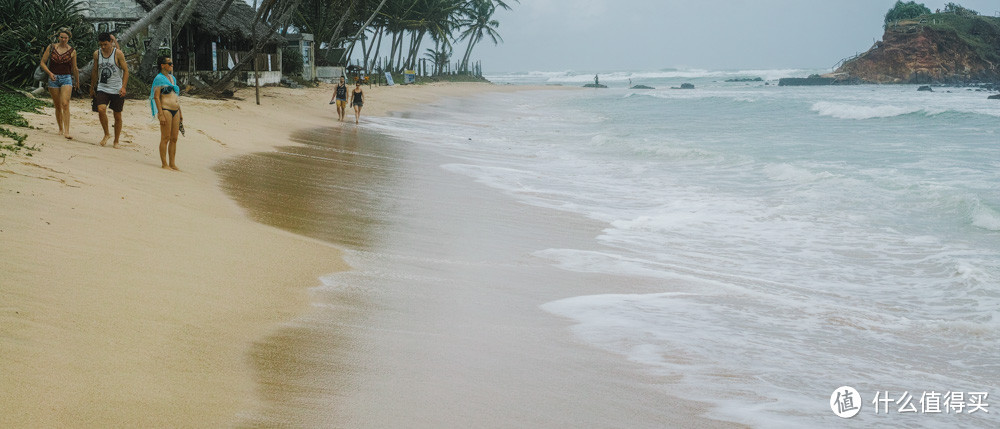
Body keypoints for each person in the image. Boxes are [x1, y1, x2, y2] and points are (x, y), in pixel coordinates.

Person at [39, 28, 80, 139]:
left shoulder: (72, 51)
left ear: (69, 38)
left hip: (66, 78)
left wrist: (77, 81)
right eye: (61, 37)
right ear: (58, 37)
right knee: (57, 105)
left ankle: (67, 131)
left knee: (65, 104)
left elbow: (74, 68)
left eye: (65, 38)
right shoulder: (52, 47)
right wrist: (49, 73)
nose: (63, 39)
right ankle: (60, 129)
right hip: (53, 78)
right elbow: (42, 62)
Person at [90, 32, 129, 148]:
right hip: (103, 87)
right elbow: (95, 70)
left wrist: (123, 87)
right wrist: (92, 87)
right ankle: (106, 133)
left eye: (105, 44)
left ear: (111, 43)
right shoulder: (97, 54)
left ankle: (116, 140)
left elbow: (126, 71)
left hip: (117, 89)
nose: (103, 47)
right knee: (101, 109)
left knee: (117, 115)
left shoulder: (118, 54)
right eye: (101, 44)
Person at [150, 56, 182, 170]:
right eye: (169, 63)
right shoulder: (159, 78)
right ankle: (164, 163)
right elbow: (156, 97)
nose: (172, 65)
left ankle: (172, 163)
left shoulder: (172, 78)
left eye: (172, 63)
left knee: (174, 138)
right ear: (162, 65)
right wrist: (160, 114)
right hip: (166, 109)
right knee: (165, 137)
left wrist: (181, 113)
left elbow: (176, 97)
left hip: (176, 110)